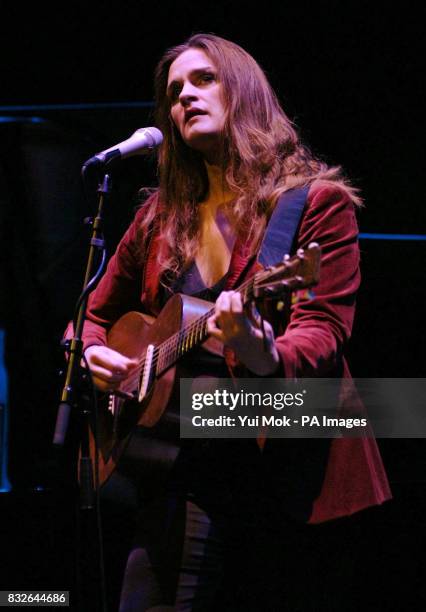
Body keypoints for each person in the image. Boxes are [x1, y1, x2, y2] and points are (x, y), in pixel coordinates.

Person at [75, 34, 391, 611]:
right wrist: (93, 351)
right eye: (174, 93)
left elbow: (323, 329)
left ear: (242, 91)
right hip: (181, 466)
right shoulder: (160, 218)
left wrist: (262, 352)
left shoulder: (313, 202)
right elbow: (90, 315)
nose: (185, 98)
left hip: (288, 459)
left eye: (203, 80)